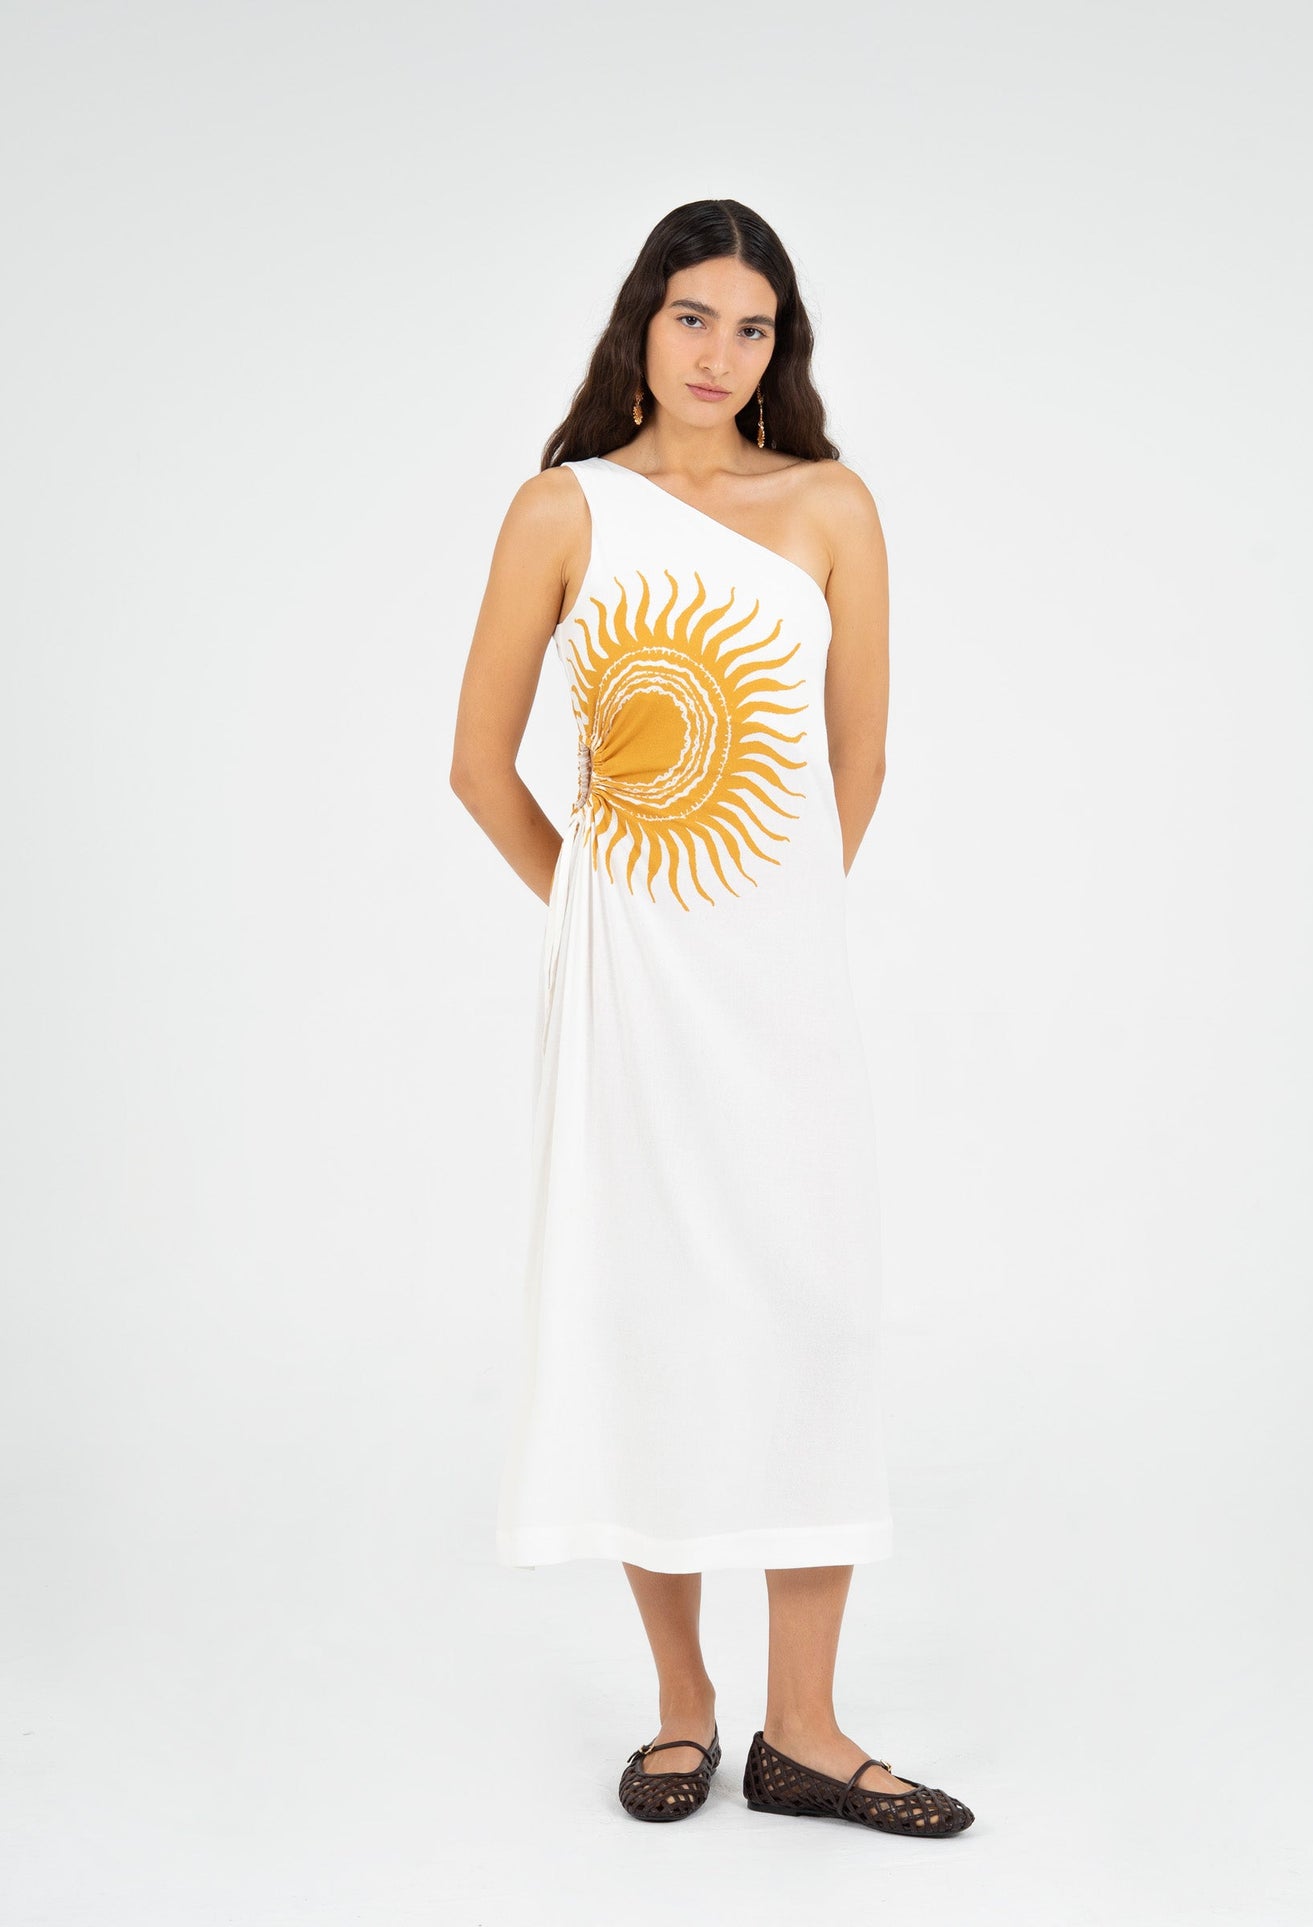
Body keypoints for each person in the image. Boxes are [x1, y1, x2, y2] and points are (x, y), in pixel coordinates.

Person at [450, 199, 973, 1837]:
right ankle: (683, 1708)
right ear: (640, 321)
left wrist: (770, 925)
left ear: (777, 348)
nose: (718, 353)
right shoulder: (563, 508)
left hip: (780, 986)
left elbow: (856, 757)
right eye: (693, 317)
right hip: (627, 999)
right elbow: (476, 766)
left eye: (752, 328)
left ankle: (802, 1728)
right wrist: (605, 920)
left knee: (808, 1314)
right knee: (648, 1315)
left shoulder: (829, 503)